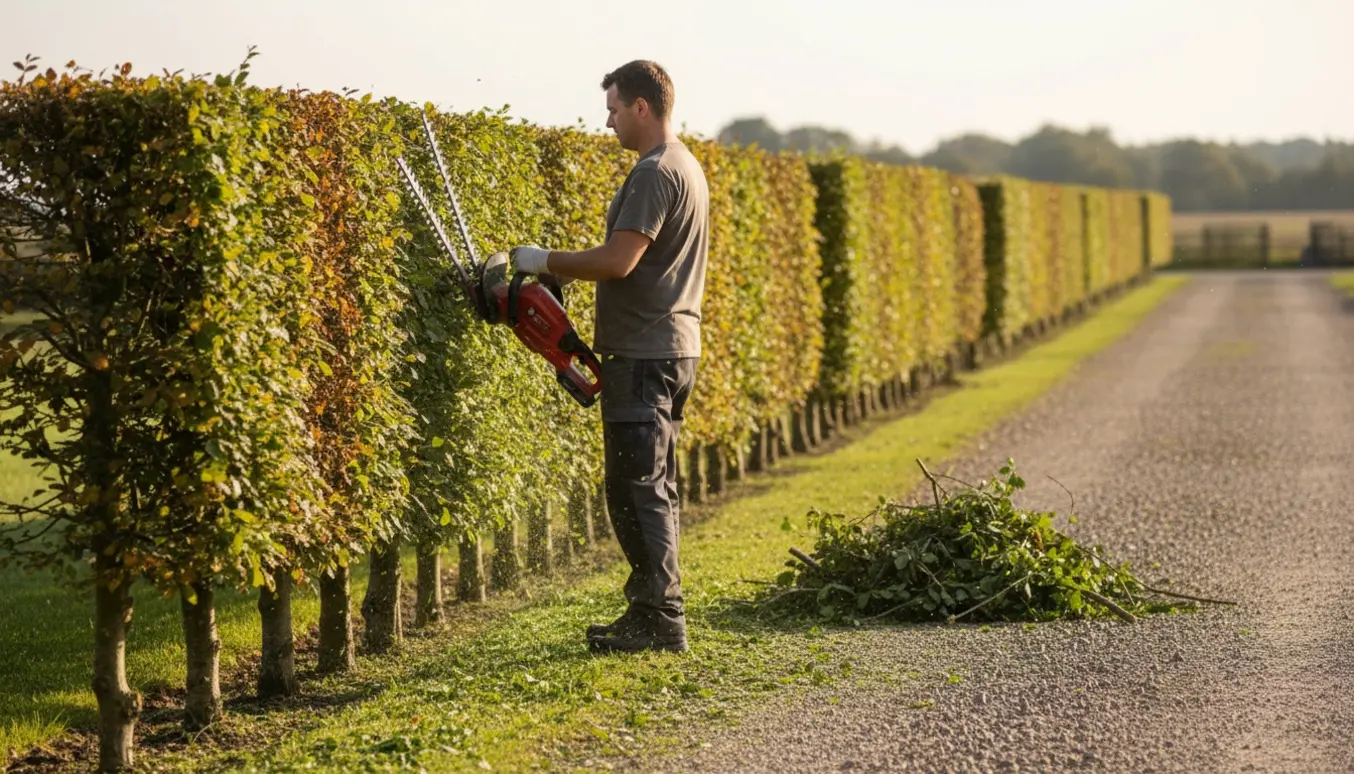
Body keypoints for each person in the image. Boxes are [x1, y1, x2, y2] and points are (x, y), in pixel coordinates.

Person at [510, 60, 709, 654]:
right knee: (651, 484)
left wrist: (542, 260)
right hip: (669, 348)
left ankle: (659, 618)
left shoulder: (654, 172)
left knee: (635, 487)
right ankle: (654, 609)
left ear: (642, 107)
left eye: (615, 108)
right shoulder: (686, 164)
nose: (609, 120)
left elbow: (619, 260)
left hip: (646, 353)